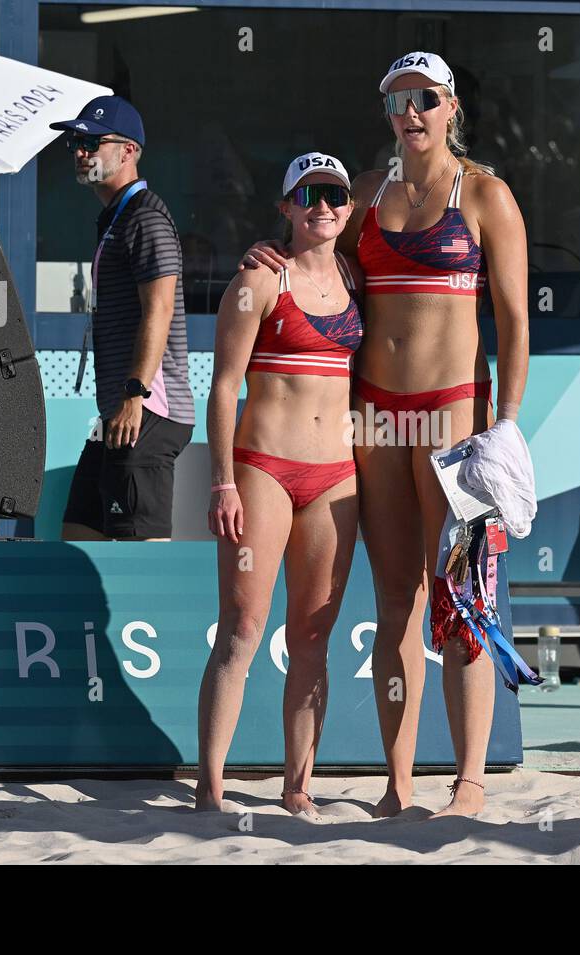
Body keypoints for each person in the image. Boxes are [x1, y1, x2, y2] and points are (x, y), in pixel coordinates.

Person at [243, 52, 530, 818]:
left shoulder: (488, 197)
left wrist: (505, 426)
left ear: (452, 106)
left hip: (453, 421)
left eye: (425, 100)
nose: (412, 113)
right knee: (394, 602)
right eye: (399, 101)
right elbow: (318, 270)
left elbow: (515, 323)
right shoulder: (364, 196)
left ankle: (468, 781)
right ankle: (398, 783)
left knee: (463, 599)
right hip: (375, 417)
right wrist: (268, 257)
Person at [197, 153, 364, 816]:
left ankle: (298, 786)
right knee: (240, 628)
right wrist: (223, 483)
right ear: (287, 207)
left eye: (335, 195)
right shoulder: (260, 277)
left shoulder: (359, 276)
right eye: (309, 195)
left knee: (313, 637)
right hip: (263, 467)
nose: (323, 206)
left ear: (349, 207)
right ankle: (209, 787)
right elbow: (222, 385)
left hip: (335, 475)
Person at [50, 96, 195, 541]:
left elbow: (160, 308)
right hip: (120, 410)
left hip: (148, 407)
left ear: (128, 151)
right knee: (78, 533)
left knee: (142, 551)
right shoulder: (118, 216)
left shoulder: (145, 216)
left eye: (93, 142)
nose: (80, 151)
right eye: (76, 141)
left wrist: (135, 392)